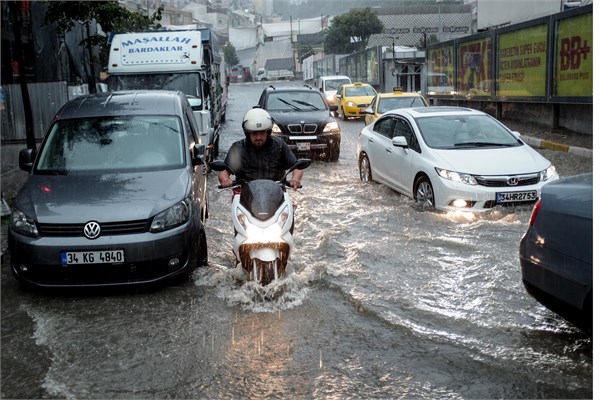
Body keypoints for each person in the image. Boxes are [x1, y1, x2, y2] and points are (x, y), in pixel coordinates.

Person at [218, 108, 304, 190]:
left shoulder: (280, 145)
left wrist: (295, 179)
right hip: (244, 196)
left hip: (277, 195)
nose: (258, 137)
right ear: (248, 134)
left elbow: (297, 167)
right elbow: (224, 170)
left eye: (262, 132)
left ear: (268, 132)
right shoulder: (238, 148)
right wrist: (225, 180)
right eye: (254, 133)